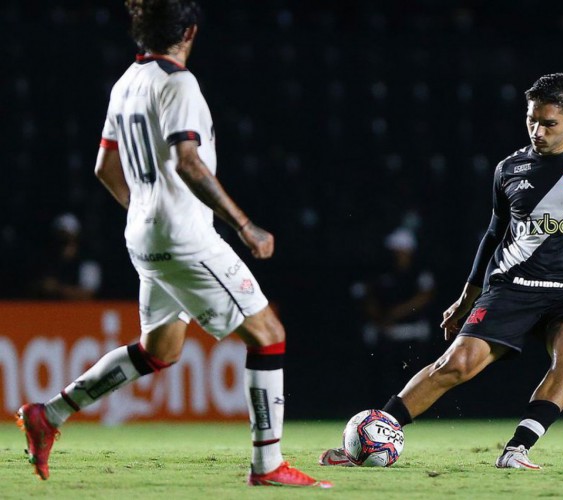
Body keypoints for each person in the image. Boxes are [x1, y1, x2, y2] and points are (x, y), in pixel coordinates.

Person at [320, 72, 563, 469]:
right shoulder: (509, 168)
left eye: (549, 124)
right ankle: (372, 436)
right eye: (531, 120)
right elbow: (493, 236)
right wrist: (465, 299)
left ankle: (517, 449)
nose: (537, 131)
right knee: (457, 364)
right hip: (511, 285)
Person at [17, 0, 331, 488]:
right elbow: (188, 160)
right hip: (184, 236)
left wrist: (145, 211)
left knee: (159, 349)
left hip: (142, 235)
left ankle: (49, 413)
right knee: (268, 333)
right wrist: (245, 225)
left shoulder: (126, 82)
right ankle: (268, 466)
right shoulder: (178, 83)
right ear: (189, 31)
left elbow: (104, 168)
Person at [356, 228, 435, 404]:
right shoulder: (380, 271)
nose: (396, 254)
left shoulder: (419, 272)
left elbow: (424, 297)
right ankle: (381, 411)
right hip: (385, 332)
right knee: (382, 377)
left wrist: (395, 314)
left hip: (413, 333)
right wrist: (380, 318)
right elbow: (368, 297)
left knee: (413, 375)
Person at [28, 213, 102, 300]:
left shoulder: (88, 263)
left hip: (80, 312)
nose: (64, 244)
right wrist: (41, 286)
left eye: (68, 239)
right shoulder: (45, 260)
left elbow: (87, 295)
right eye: (60, 239)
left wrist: (57, 288)